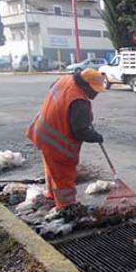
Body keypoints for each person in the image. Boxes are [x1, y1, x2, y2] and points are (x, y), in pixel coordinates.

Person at [26, 68, 105, 209]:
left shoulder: (64, 80)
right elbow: (80, 131)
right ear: (85, 85)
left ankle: (51, 195)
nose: (96, 93)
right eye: (94, 89)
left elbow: (55, 93)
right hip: (57, 142)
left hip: (42, 131)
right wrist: (95, 136)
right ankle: (66, 207)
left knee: (51, 168)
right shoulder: (79, 102)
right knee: (64, 176)